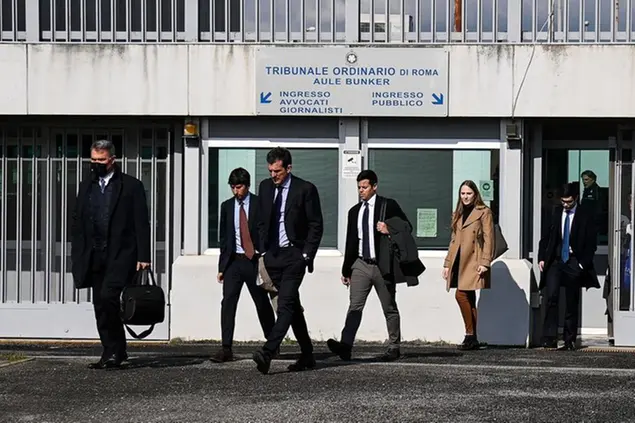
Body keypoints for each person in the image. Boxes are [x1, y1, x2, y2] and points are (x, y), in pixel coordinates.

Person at [71, 139, 151, 369]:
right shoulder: (86, 185)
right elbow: (78, 219)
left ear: (112, 160)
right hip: (94, 254)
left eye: (101, 160)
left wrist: (144, 256)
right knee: (100, 304)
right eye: (93, 160)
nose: (96, 164)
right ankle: (111, 351)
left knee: (109, 297)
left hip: (121, 254)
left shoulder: (131, 186)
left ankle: (116, 349)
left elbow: (141, 222)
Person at [251, 147, 323, 374]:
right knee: (292, 307)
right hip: (272, 256)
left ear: (288, 168)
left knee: (284, 305)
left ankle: (267, 351)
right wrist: (263, 250)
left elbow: (316, 224)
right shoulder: (265, 187)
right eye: (270, 171)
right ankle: (308, 355)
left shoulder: (305, 189)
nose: (273, 175)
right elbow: (260, 220)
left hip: (294, 256)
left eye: (278, 171)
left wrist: (306, 255)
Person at [327, 170, 412, 362]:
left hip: (382, 265)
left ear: (374, 186)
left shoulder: (388, 206)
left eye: (364, 187)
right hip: (360, 264)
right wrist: (346, 269)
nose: (361, 191)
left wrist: (389, 229)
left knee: (389, 306)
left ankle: (394, 346)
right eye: (359, 187)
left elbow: (407, 227)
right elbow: (350, 241)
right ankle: (345, 346)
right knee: (355, 306)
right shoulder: (354, 211)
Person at [212, 168, 276, 363]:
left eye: (239, 187)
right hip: (234, 262)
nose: (235, 191)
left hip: (254, 261)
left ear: (247, 186)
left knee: (261, 302)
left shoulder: (258, 203)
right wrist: (222, 267)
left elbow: (266, 229)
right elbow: (224, 238)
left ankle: (272, 344)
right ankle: (226, 348)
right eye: (232, 187)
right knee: (228, 302)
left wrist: (264, 254)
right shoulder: (227, 206)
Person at [538, 182, 600, 351]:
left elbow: (591, 243)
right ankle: (549, 338)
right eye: (563, 201)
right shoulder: (556, 212)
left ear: (576, 198)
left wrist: (582, 264)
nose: (565, 205)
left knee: (571, 300)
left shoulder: (585, 215)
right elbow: (546, 236)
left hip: (574, 261)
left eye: (569, 202)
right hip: (556, 260)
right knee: (551, 297)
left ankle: (569, 339)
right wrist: (542, 257)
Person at [442, 180, 495, 351]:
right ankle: (473, 338)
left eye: (469, 193)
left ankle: (469, 335)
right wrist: (447, 264)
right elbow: (453, 240)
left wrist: (485, 262)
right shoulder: (457, 213)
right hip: (459, 259)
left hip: (474, 260)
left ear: (475, 194)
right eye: (463, 193)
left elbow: (489, 238)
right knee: (469, 297)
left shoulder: (484, 212)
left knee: (461, 295)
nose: (465, 197)